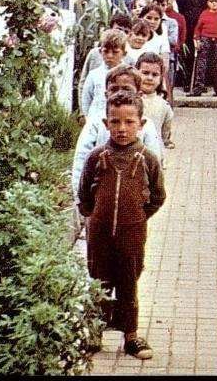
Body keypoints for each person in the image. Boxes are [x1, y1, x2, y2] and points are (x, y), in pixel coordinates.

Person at [78, 89, 166, 360]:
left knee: (128, 284)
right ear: (106, 124)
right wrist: (96, 220)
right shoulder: (96, 157)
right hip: (100, 237)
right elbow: (84, 196)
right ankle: (94, 333)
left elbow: (158, 196)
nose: (122, 128)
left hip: (131, 236)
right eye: (115, 122)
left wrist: (136, 217)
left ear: (141, 124)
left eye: (129, 122)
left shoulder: (147, 159)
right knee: (99, 283)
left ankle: (130, 336)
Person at [72, 65, 163, 202]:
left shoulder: (146, 125)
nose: (119, 93)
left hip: (133, 204)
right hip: (98, 201)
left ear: (139, 94)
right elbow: (81, 161)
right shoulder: (96, 123)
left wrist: (146, 206)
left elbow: (154, 165)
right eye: (114, 89)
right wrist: (80, 200)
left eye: (127, 89)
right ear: (106, 93)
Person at [77, 12, 132, 106]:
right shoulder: (94, 54)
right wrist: (83, 112)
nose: (110, 56)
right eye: (118, 29)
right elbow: (84, 82)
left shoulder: (129, 60)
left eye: (126, 32)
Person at [81, 28, 128, 119]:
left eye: (115, 52)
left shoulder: (128, 74)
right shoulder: (94, 75)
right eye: (106, 51)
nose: (110, 56)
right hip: (97, 118)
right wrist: (88, 118)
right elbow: (86, 99)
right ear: (100, 51)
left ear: (124, 53)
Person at [137, 53, 174, 157]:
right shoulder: (129, 100)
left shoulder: (164, 105)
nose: (150, 78)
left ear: (161, 78)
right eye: (145, 73)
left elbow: (165, 133)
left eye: (154, 75)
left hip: (154, 156)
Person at [180, 0, 212, 85]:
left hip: (205, 25)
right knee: (189, 53)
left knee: (204, 54)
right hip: (189, 24)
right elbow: (181, 7)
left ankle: (201, 83)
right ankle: (188, 82)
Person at [138, 3, 172, 95]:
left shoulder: (160, 38)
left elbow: (165, 62)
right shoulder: (135, 37)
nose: (152, 22)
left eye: (156, 19)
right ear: (141, 17)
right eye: (149, 18)